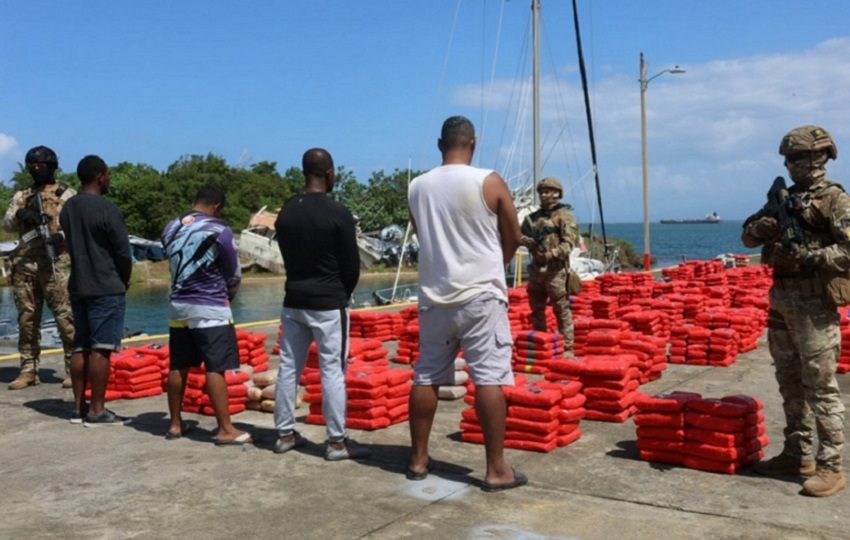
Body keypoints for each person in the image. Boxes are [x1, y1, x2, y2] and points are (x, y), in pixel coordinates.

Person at [406, 115, 526, 491]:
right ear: (473, 143)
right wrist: (497, 264)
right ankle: (495, 468)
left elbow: (425, 234)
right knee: (489, 378)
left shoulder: (417, 187)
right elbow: (514, 235)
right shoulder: (488, 181)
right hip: (481, 296)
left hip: (434, 296)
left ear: (440, 144)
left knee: (426, 375)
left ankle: (419, 459)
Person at [742, 125, 847, 497]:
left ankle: (831, 465)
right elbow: (747, 235)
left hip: (815, 303)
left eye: (799, 158)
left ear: (820, 158)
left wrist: (811, 255)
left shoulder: (835, 200)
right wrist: (764, 226)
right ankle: (796, 453)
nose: (792, 164)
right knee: (789, 382)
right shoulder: (783, 198)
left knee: (820, 387)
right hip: (782, 300)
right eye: (788, 158)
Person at [272, 148, 369, 460]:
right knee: (332, 370)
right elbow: (352, 267)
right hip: (328, 303)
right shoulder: (338, 213)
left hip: (294, 299)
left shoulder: (286, 212)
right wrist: (342, 295)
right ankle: (336, 441)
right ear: (329, 174)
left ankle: (285, 433)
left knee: (289, 367)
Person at [161, 183, 251, 445]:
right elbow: (233, 272)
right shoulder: (219, 230)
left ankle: (175, 424)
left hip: (178, 305)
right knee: (216, 367)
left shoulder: (170, 227)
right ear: (217, 207)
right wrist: (229, 296)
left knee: (178, 365)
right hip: (209, 306)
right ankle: (225, 429)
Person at [59, 155, 132, 425]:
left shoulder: (68, 208)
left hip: (78, 285)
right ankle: (97, 410)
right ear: (100, 175)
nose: (109, 179)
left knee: (80, 345)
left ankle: (78, 407)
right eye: (108, 175)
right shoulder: (107, 209)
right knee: (101, 348)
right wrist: (124, 280)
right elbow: (123, 253)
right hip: (105, 286)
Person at [2, 145, 76, 390]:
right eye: (32, 167)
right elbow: (8, 224)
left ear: (52, 167)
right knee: (27, 319)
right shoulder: (21, 196)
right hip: (26, 263)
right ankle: (28, 369)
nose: (36, 170)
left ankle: (72, 368)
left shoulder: (66, 194)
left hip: (56, 262)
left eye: (41, 166)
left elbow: (76, 225)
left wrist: (60, 237)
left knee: (65, 318)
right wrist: (23, 214)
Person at [519, 177, 579, 353]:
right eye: (542, 192)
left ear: (557, 194)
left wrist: (551, 254)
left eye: (548, 191)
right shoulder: (532, 219)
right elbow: (521, 236)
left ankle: (567, 346)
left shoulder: (564, 216)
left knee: (561, 309)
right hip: (536, 270)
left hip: (555, 271)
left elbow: (569, 243)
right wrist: (528, 242)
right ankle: (541, 343)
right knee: (536, 308)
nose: (544, 195)